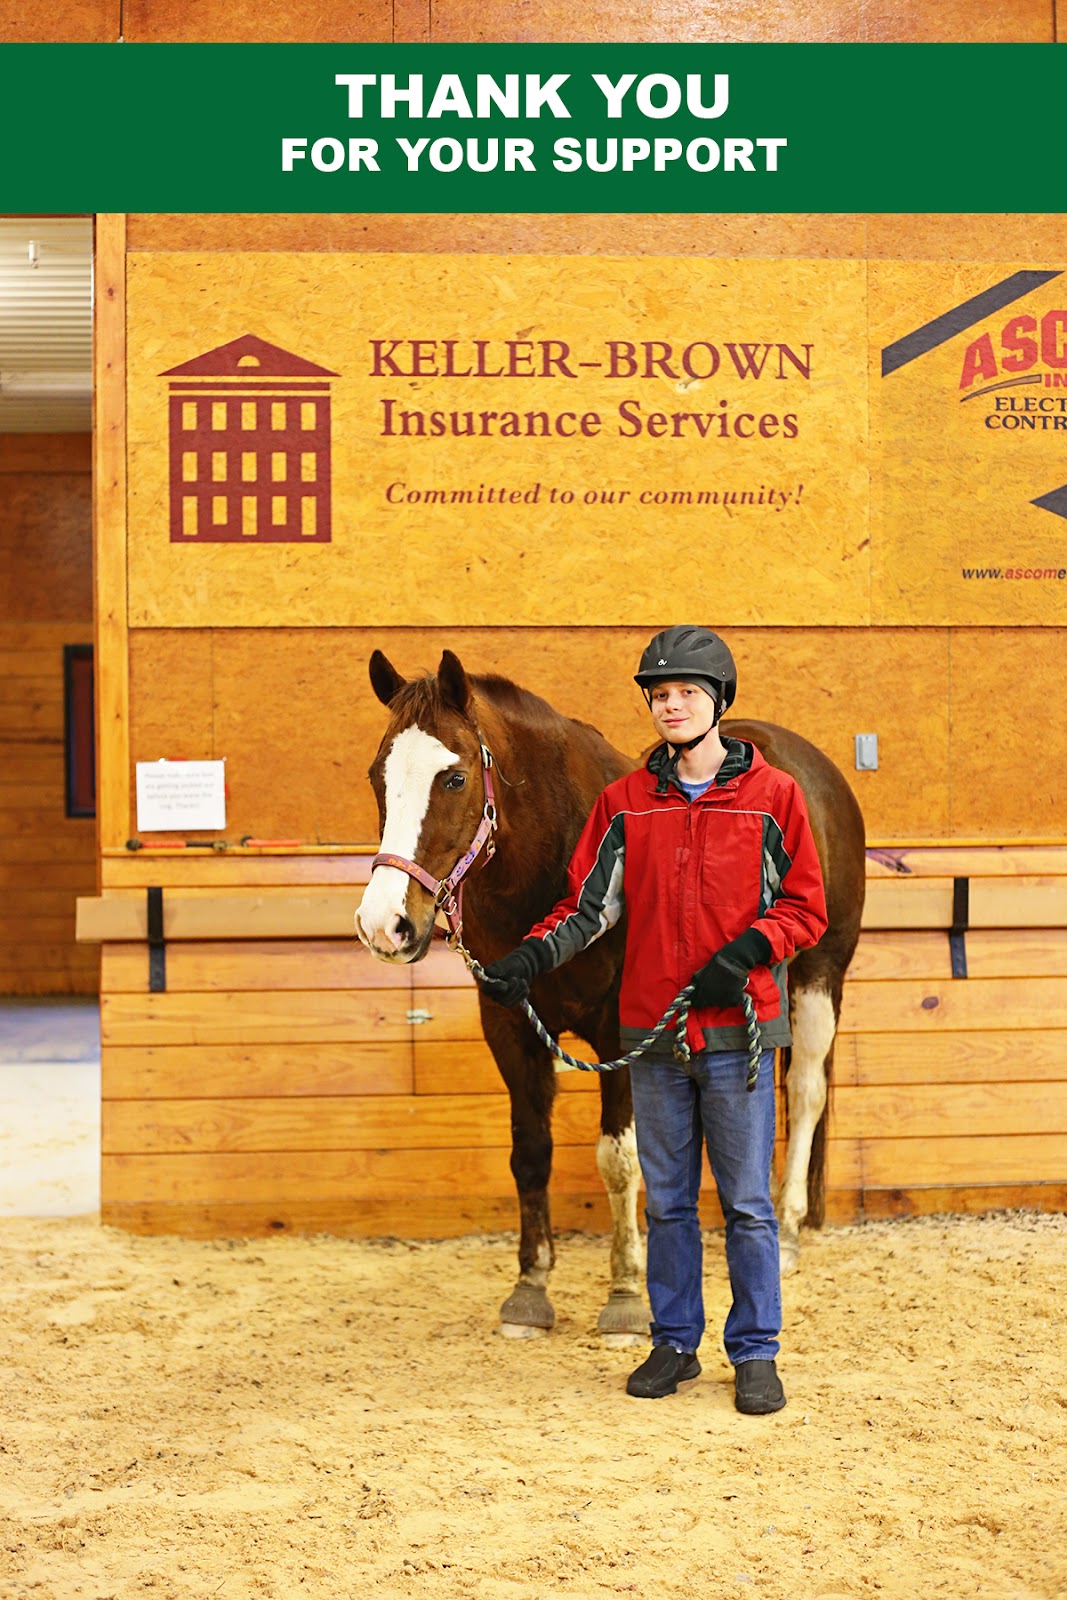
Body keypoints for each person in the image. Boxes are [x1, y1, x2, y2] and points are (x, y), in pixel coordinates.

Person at [476, 625, 828, 1413]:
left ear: (718, 703)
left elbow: (806, 906)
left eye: (686, 694)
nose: (671, 707)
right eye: (659, 695)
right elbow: (586, 907)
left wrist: (747, 950)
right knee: (666, 1198)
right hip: (655, 1033)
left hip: (737, 1032)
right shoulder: (625, 802)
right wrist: (528, 961)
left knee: (743, 1202)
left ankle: (755, 1350)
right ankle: (674, 1343)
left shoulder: (773, 798)